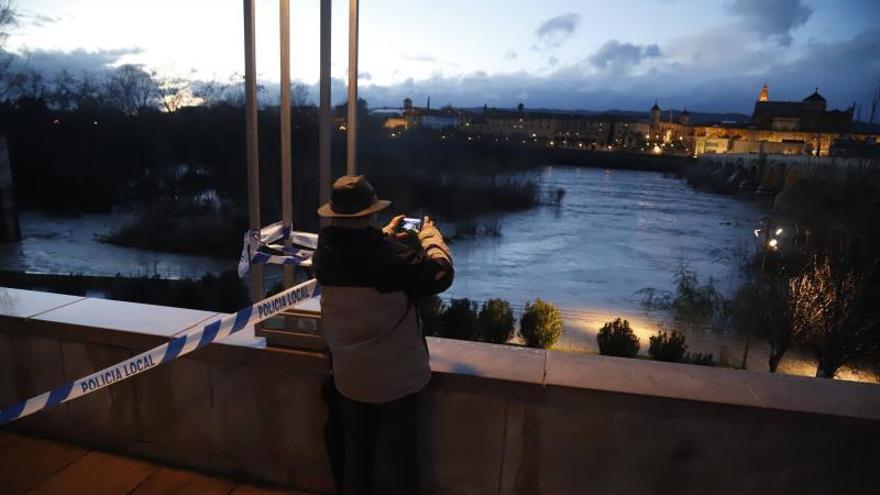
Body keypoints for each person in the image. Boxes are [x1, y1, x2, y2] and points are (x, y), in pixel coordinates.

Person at [313, 174, 454, 495]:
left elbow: (360, 255)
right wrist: (431, 236)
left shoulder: (325, 252)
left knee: (357, 457)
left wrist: (385, 235)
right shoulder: (388, 258)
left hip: (348, 377)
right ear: (369, 213)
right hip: (395, 381)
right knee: (399, 459)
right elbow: (441, 275)